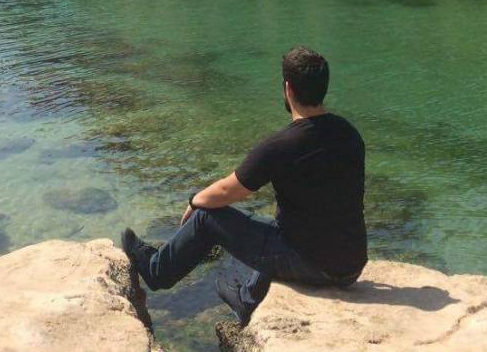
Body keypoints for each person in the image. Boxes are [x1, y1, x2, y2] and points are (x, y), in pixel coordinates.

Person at [121, 46, 366, 326]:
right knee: (285, 224)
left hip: (314, 265)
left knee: (206, 217)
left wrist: (194, 200)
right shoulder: (350, 134)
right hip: (351, 265)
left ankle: (156, 271)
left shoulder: (281, 145)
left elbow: (229, 191)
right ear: (324, 87)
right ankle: (247, 299)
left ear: (288, 89)